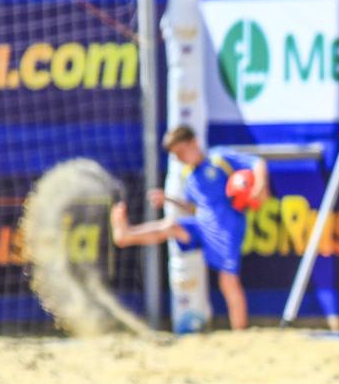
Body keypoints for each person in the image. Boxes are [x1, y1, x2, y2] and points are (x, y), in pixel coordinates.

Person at [110, 125, 268, 330]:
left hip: (226, 230)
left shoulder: (218, 158)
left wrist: (259, 185)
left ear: (194, 142)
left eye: (181, 152)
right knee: (171, 226)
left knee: (228, 281)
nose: (180, 158)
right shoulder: (190, 176)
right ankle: (126, 235)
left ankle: (240, 331)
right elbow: (192, 208)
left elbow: (257, 163)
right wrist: (168, 199)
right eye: (176, 155)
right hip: (201, 225)